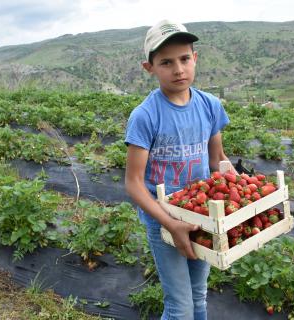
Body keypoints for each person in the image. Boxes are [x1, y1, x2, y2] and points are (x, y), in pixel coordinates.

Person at [124, 19, 234, 320]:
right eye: (166, 62)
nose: (178, 69)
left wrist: (239, 193)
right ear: (150, 68)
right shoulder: (145, 116)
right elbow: (133, 183)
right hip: (163, 219)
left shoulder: (210, 106)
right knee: (180, 307)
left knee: (198, 297)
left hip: (201, 215)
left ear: (195, 58)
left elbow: (218, 161)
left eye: (185, 59)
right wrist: (170, 224)